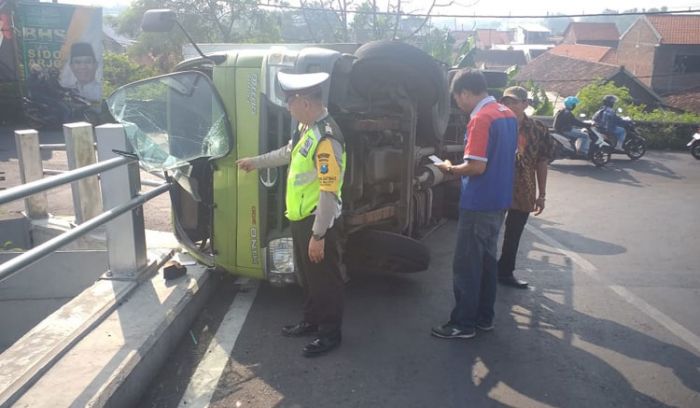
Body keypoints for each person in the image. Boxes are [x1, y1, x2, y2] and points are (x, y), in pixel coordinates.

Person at [236, 71, 346, 357]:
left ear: (304, 102)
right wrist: (255, 162)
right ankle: (311, 322)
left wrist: (319, 234)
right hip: (300, 219)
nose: (286, 107)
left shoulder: (326, 139)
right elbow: (288, 153)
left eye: (289, 101)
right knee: (308, 278)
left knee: (325, 281)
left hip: (318, 222)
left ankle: (330, 334)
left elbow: (328, 192)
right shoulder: (305, 128)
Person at [431, 69, 518, 339]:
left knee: (467, 264)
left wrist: (450, 169)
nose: (458, 104)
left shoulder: (480, 119)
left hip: (479, 202)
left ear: (466, 92)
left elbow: (476, 167)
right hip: (499, 200)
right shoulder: (508, 114)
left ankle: (462, 324)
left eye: (457, 98)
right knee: (487, 263)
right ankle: (484, 317)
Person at [497, 86, 554, 289]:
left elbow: (542, 161)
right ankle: (483, 271)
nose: (509, 105)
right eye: (505, 101)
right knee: (489, 231)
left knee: (513, 234)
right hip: (497, 185)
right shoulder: (496, 124)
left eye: (513, 101)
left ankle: (505, 272)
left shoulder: (538, 129)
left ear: (525, 104)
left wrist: (542, 194)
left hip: (524, 188)